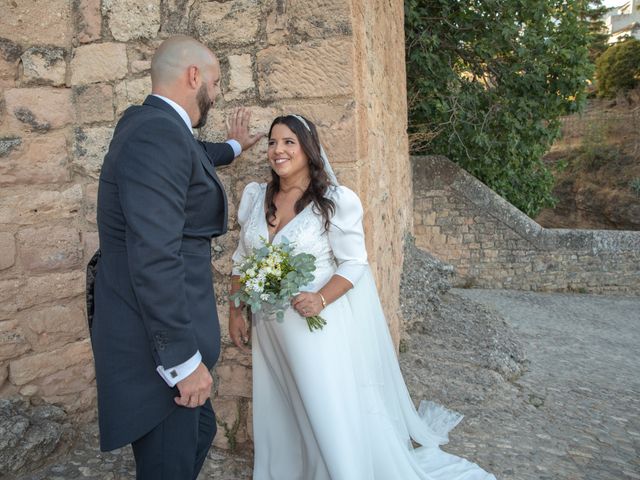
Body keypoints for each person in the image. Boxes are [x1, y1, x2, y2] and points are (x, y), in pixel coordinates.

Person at [229, 114, 497, 479]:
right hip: (270, 330)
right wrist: (236, 311)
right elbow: (241, 260)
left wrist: (320, 299)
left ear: (308, 149)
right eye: (273, 143)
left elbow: (355, 263)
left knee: (324, 409)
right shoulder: (257, 198)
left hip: (313, 330)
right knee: (281, 407)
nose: (278, 150)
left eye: (289, 142)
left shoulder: (334, 202)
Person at [88, 35, 262, 480]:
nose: (219, 93)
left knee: (198, 435)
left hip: (160, 343)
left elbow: (194, 155)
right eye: (217, 82)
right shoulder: (158, 136)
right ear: (194, 77)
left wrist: (234, 147)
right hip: (159, 355)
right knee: (170, 463)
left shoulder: (149, 125)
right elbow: (154, 256)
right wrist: (184, 364)